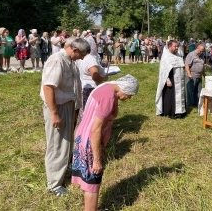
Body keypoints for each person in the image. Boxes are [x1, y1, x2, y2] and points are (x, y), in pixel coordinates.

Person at [72, 74, 139, 211]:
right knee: (92, 181)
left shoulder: (104, 88)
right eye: (129, 94)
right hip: (90, 141)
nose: (129, 98)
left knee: (87, 178)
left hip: (82, 136)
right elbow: (96, 130)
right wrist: (97, 159)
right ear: (124, 88)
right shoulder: (108, 97)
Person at [40, 37, 90, 196]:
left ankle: (62, 169)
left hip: (68, 106)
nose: (82, 58)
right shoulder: (57, 61)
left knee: (66, 142)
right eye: (81, 54)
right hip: (58, 107)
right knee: (57, 144)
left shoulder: (70, 61)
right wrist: (54, 113)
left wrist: (75, 110)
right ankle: (54, 185)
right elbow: (48, 87)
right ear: (74, 49)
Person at [156, 40, 186, 118]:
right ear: (169, 47)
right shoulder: (166, 56)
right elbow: (163, 70)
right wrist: (167, 80)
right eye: (175, 46)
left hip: (180, 80)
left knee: (180, 95)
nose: (177, 48)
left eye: (177, 46)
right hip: (171, 79)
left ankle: (180, 112)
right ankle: (171, 112)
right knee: (171, 96)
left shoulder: (179, 55)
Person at [185, 44, 205, 108]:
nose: (202, 52)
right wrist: (188, 73)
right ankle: (190, 104)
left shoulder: (202, 56)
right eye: (201, 51)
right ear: (197, 48)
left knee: (198, 91)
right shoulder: (191, 54)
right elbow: (187, 65)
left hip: (199, 76)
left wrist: (204, 75)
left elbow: (203, 66)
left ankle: (196, 103)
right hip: (192, 75)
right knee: (190, 90)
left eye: (203, 51)